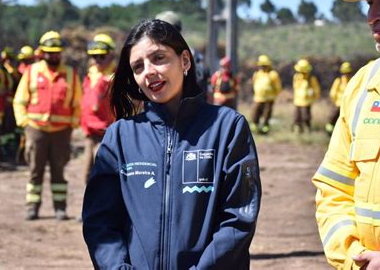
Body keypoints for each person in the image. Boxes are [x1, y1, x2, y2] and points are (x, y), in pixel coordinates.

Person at [82, 19, 261, 269]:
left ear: (185, 61)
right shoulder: (120, 137)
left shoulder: (227, 127)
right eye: (138, 66)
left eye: (159, 58)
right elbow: (100, 223)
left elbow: (238, 218)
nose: (149, 71)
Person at [312, 0, 380, 268]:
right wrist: (352, 258)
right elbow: (334, 188)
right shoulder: (363, 84)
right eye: (369, 4)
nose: (372, 16)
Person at [13, 30, 82, 221]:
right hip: (36, 129)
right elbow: (19, 101)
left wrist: (73, 124)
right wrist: (25, 123)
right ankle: (32, 207)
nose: (54, 55)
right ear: (42, 52)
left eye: (57, 52)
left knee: (59, 171)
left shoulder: (70, 74)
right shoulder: (32, 72)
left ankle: (60, 208)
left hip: (62, 132)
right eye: (50, 52)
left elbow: (78, 103)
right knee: (35, 171)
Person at [80, 33, 117, 182]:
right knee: (87, 175)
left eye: (102, 56)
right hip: (90, 131)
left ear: (111, 55)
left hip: (106, 133)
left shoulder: (116, 77)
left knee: (105, 173)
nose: (97, 60)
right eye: (94, 57)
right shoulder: (91, 74)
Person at [250, 54, 282, 134]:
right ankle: (255, 128)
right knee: (255, 113)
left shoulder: (273, 74)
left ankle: (265, 129)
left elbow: (278, 87)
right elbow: (254, 84)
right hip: (258, 98)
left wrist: (273, 95)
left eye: (264, 65)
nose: (262, 67)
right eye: (261, 65)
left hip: (269, 99)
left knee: (266, 114)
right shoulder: (257, 74)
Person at [292, 58, 320, 133]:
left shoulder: (311, 79)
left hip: (306, 102)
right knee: (297, 117)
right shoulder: (296, 77)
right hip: (297, 101)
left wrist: (313, 96)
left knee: (306, 117)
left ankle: (307, 129)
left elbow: (316, 90)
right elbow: (295, 88)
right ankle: (297, 130)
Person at [324, 61, 352, 135]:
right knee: (333, 118)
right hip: (338, 104)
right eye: (346, 72)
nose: (347, 74)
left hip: (348, 105)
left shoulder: (352, 80)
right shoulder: (339, 81)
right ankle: (329, 132)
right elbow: (333, 93)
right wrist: (335, 101)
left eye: (348, 72)